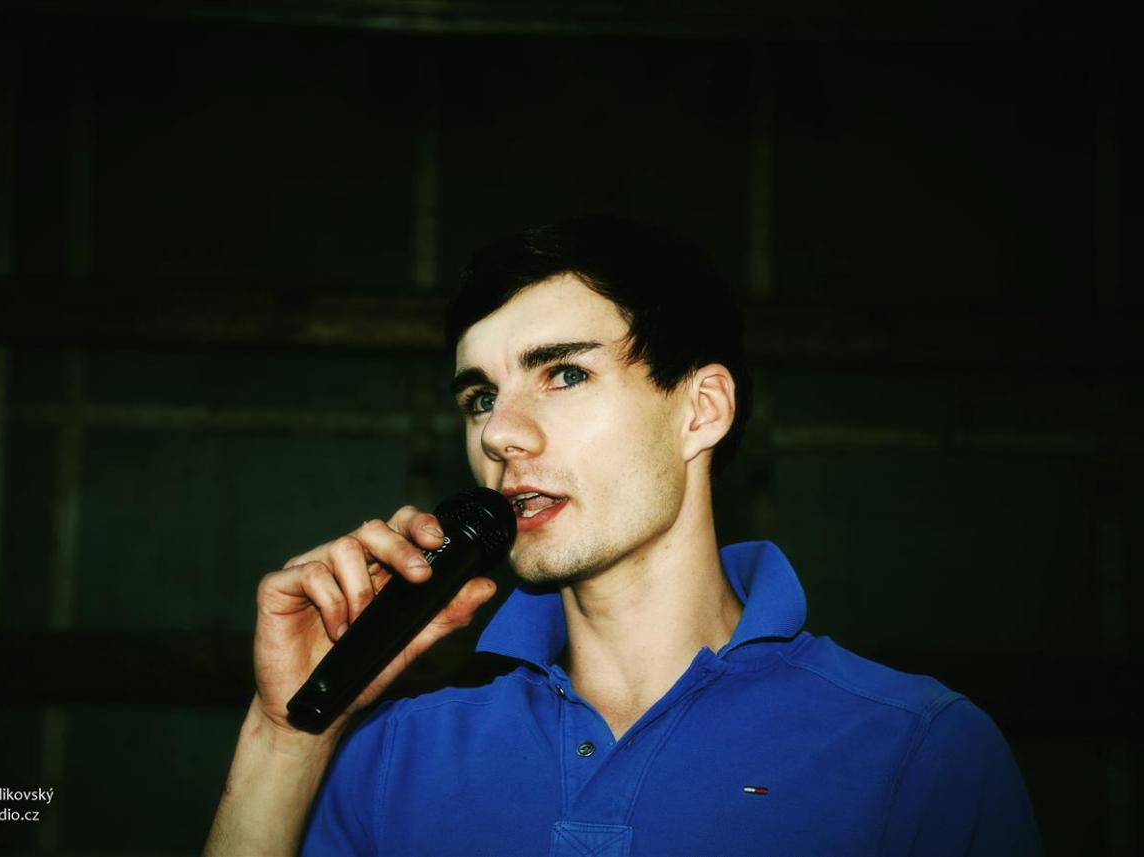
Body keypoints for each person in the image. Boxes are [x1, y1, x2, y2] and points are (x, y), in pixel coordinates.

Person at [204, 215, 1040, 856]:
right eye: (480, 398)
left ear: (701, 409)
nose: (500, 433)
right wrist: (284, 736)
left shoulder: (916, 751)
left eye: (564, 373)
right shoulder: (394, 756)